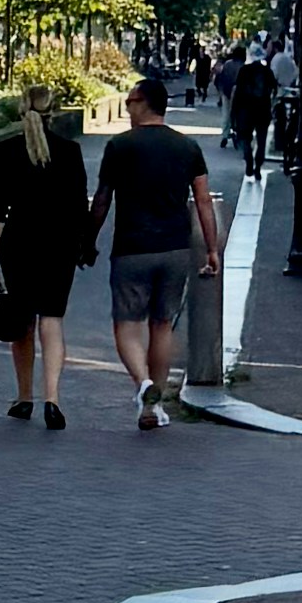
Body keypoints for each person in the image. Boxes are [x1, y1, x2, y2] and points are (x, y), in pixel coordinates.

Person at [92, 69, 224, 432]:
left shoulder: (120, 146)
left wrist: (87, 240)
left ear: (145, 103)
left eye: (131, 101)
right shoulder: (187, 147)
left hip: (132, 248)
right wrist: (211, 249)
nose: (127, 106)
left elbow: (102, 199)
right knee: (162, 325)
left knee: (126, 324)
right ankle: (154, 408)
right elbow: (203, 200)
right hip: (175, 248)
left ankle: (143, 383)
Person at [0, 74, 91, 428]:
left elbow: (0, 208)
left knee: (21, 322)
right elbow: (80, 207)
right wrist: (83, 244)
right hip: (59, 246)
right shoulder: (70, 152)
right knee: (52, 321)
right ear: (53, 113)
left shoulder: (6, 151)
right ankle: (53, 399)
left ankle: (24, 397)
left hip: (18, 246)